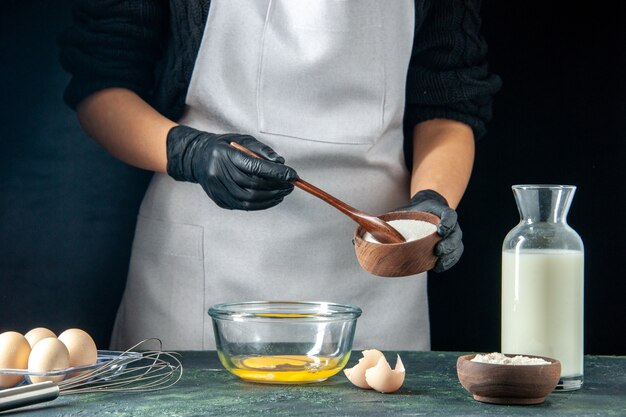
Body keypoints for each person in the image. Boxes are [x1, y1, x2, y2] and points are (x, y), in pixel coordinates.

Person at [59, 0, 501, 351]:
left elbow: (449, 98)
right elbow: (102, 85)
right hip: (207, 267)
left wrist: (432, 203)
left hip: (376, 277)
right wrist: (190, 152)